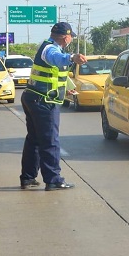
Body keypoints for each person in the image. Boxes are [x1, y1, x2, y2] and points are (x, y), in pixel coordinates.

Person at [20, 22, 87, 191]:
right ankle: (53, 179)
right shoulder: (50, 49)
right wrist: (72, 58)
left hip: (34, 98)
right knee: (50, 141)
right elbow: (56, 59)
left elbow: (52, 75)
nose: (71, 39)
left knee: (34, 140)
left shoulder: (50, 48)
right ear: (66, 37)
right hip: (43, 102)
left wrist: (66, 89)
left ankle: (28, 177)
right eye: (71, 36)